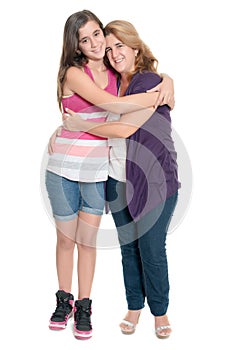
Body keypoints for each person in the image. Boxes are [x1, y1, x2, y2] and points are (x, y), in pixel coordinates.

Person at [45, 10, 175, 341]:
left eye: (99, 37)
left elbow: (124, 121)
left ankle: (140, 310)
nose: (108, 50)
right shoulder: (93, 76)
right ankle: (93, 303)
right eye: (86, 40)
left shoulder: (134, 79)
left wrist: (167, 83)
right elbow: (109, 107)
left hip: (126, 176)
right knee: (98, 244)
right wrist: (163, 90)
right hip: (89, 172)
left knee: (129, 246)